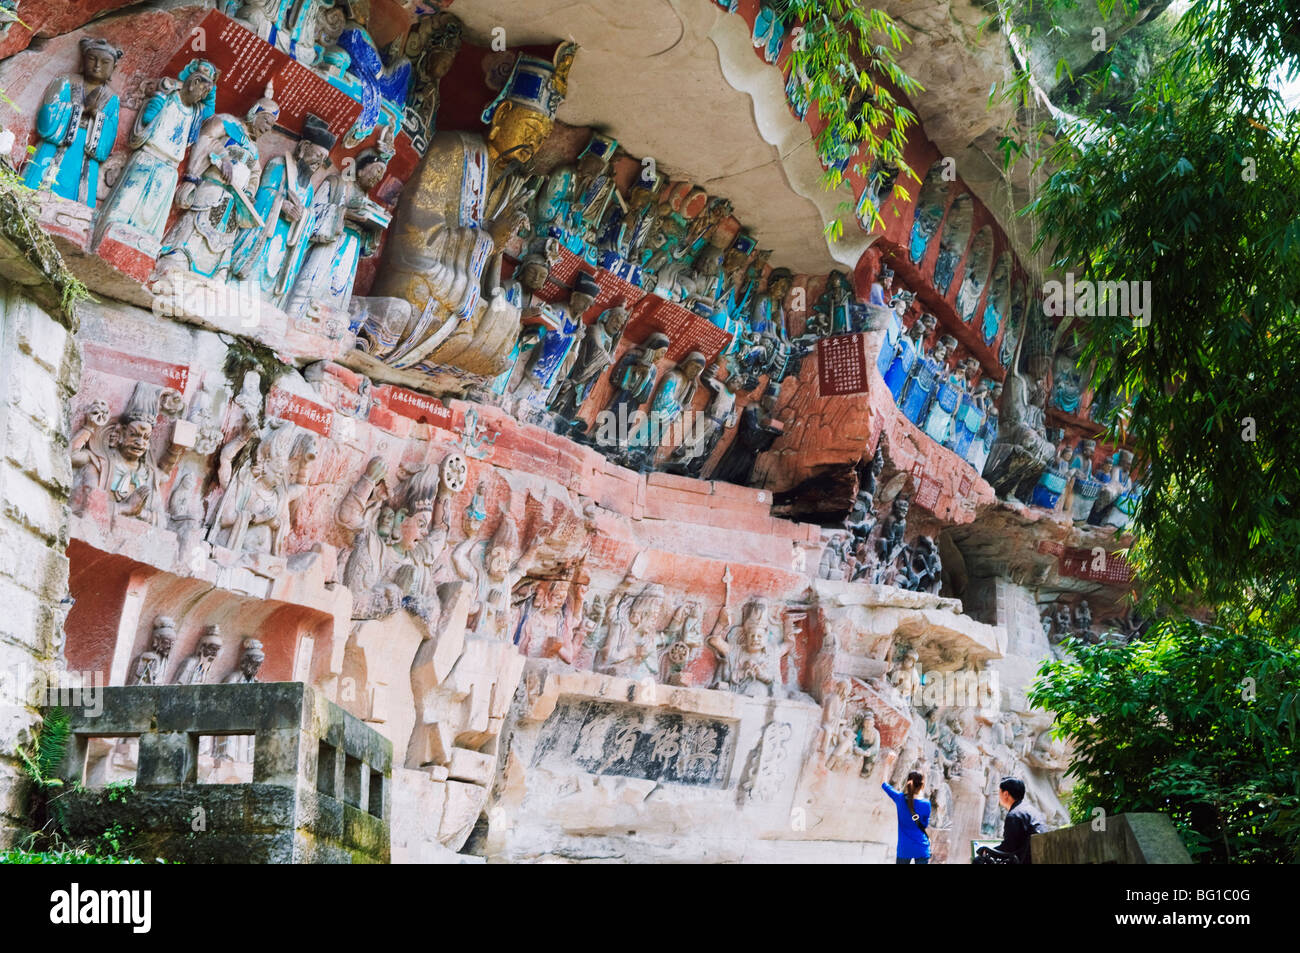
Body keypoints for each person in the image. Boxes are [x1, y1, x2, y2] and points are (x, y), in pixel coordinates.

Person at [975, 776, 1046, 864]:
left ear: (1005, 794)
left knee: (979, 860)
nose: (998, 796)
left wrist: (987, 850)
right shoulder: (1031, 811)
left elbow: (1008, 848)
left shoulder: (1014, 815)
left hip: (1024, 860)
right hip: (1035, 858)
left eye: (999, 792)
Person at [882, 770, 931, 864]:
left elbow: (884, 784)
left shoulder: (900, 799)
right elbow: (924, 824)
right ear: (922, 786)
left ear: (907, 782)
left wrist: (887, 764)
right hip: (921, 847)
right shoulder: (926, 804)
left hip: (904, 848)